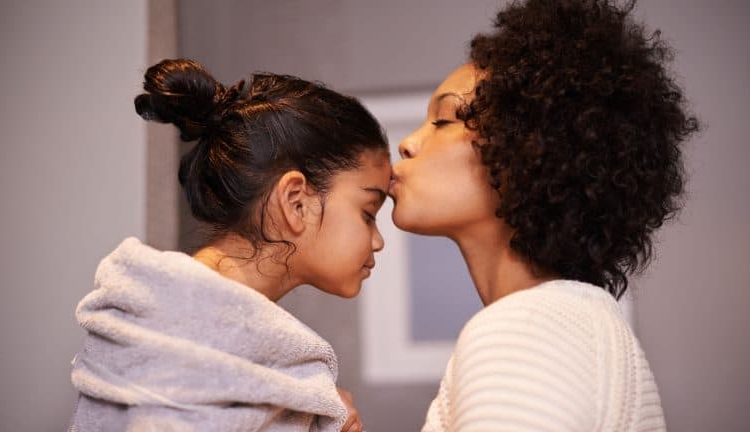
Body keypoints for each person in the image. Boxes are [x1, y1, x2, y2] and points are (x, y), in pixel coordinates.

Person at [389, 0, 699, 430]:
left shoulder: (525, 329)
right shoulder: (573, 323)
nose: (407, 143)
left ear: (527, 151)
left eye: (444, 120)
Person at [68, 59, 389, 432]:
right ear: (295, 201)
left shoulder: (143, 327)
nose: (378, 241)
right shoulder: (197, 347)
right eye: (369, 212)